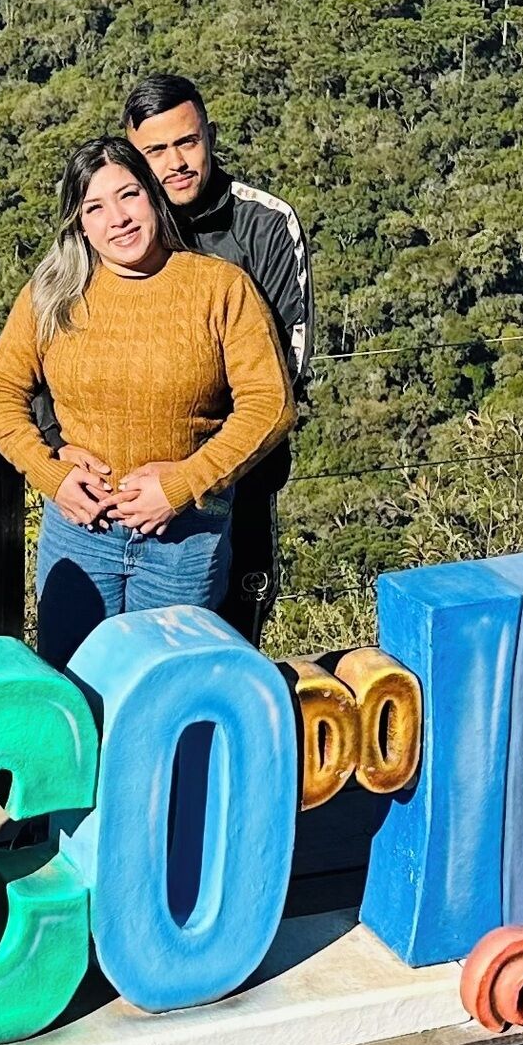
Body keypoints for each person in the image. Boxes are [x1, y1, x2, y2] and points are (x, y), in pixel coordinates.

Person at [0, 136, 291, 667]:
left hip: (185, 538)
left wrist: (181, 485)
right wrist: (49, 471)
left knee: (166, 702)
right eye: (94, 207)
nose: (116, 218)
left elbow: (270, 404)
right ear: (78, 223)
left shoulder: (219, 288)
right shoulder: (54, 292)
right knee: (75, 697)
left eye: (128, 195)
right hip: (80, 533)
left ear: (153, 196)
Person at [121, 75, 308, 638]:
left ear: (210, 136)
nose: (175, 162)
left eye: (188, 142)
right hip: (127, 492)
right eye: (155, 150)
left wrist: (185, 476)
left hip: (238, 486)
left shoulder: (266, 226)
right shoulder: (119, 226)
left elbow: (284, 375)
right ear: (132, 157)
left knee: (226, 650)